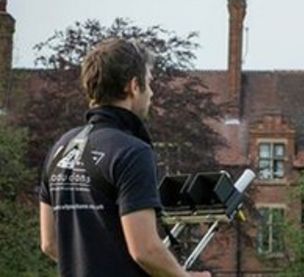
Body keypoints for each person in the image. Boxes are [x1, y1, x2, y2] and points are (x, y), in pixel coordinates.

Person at [38, 38, 208, 277]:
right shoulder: (132, 151)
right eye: (148, 83)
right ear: (133, 86)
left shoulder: (61, 147)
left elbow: (50, 243)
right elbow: (145, 250)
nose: (152, 93)